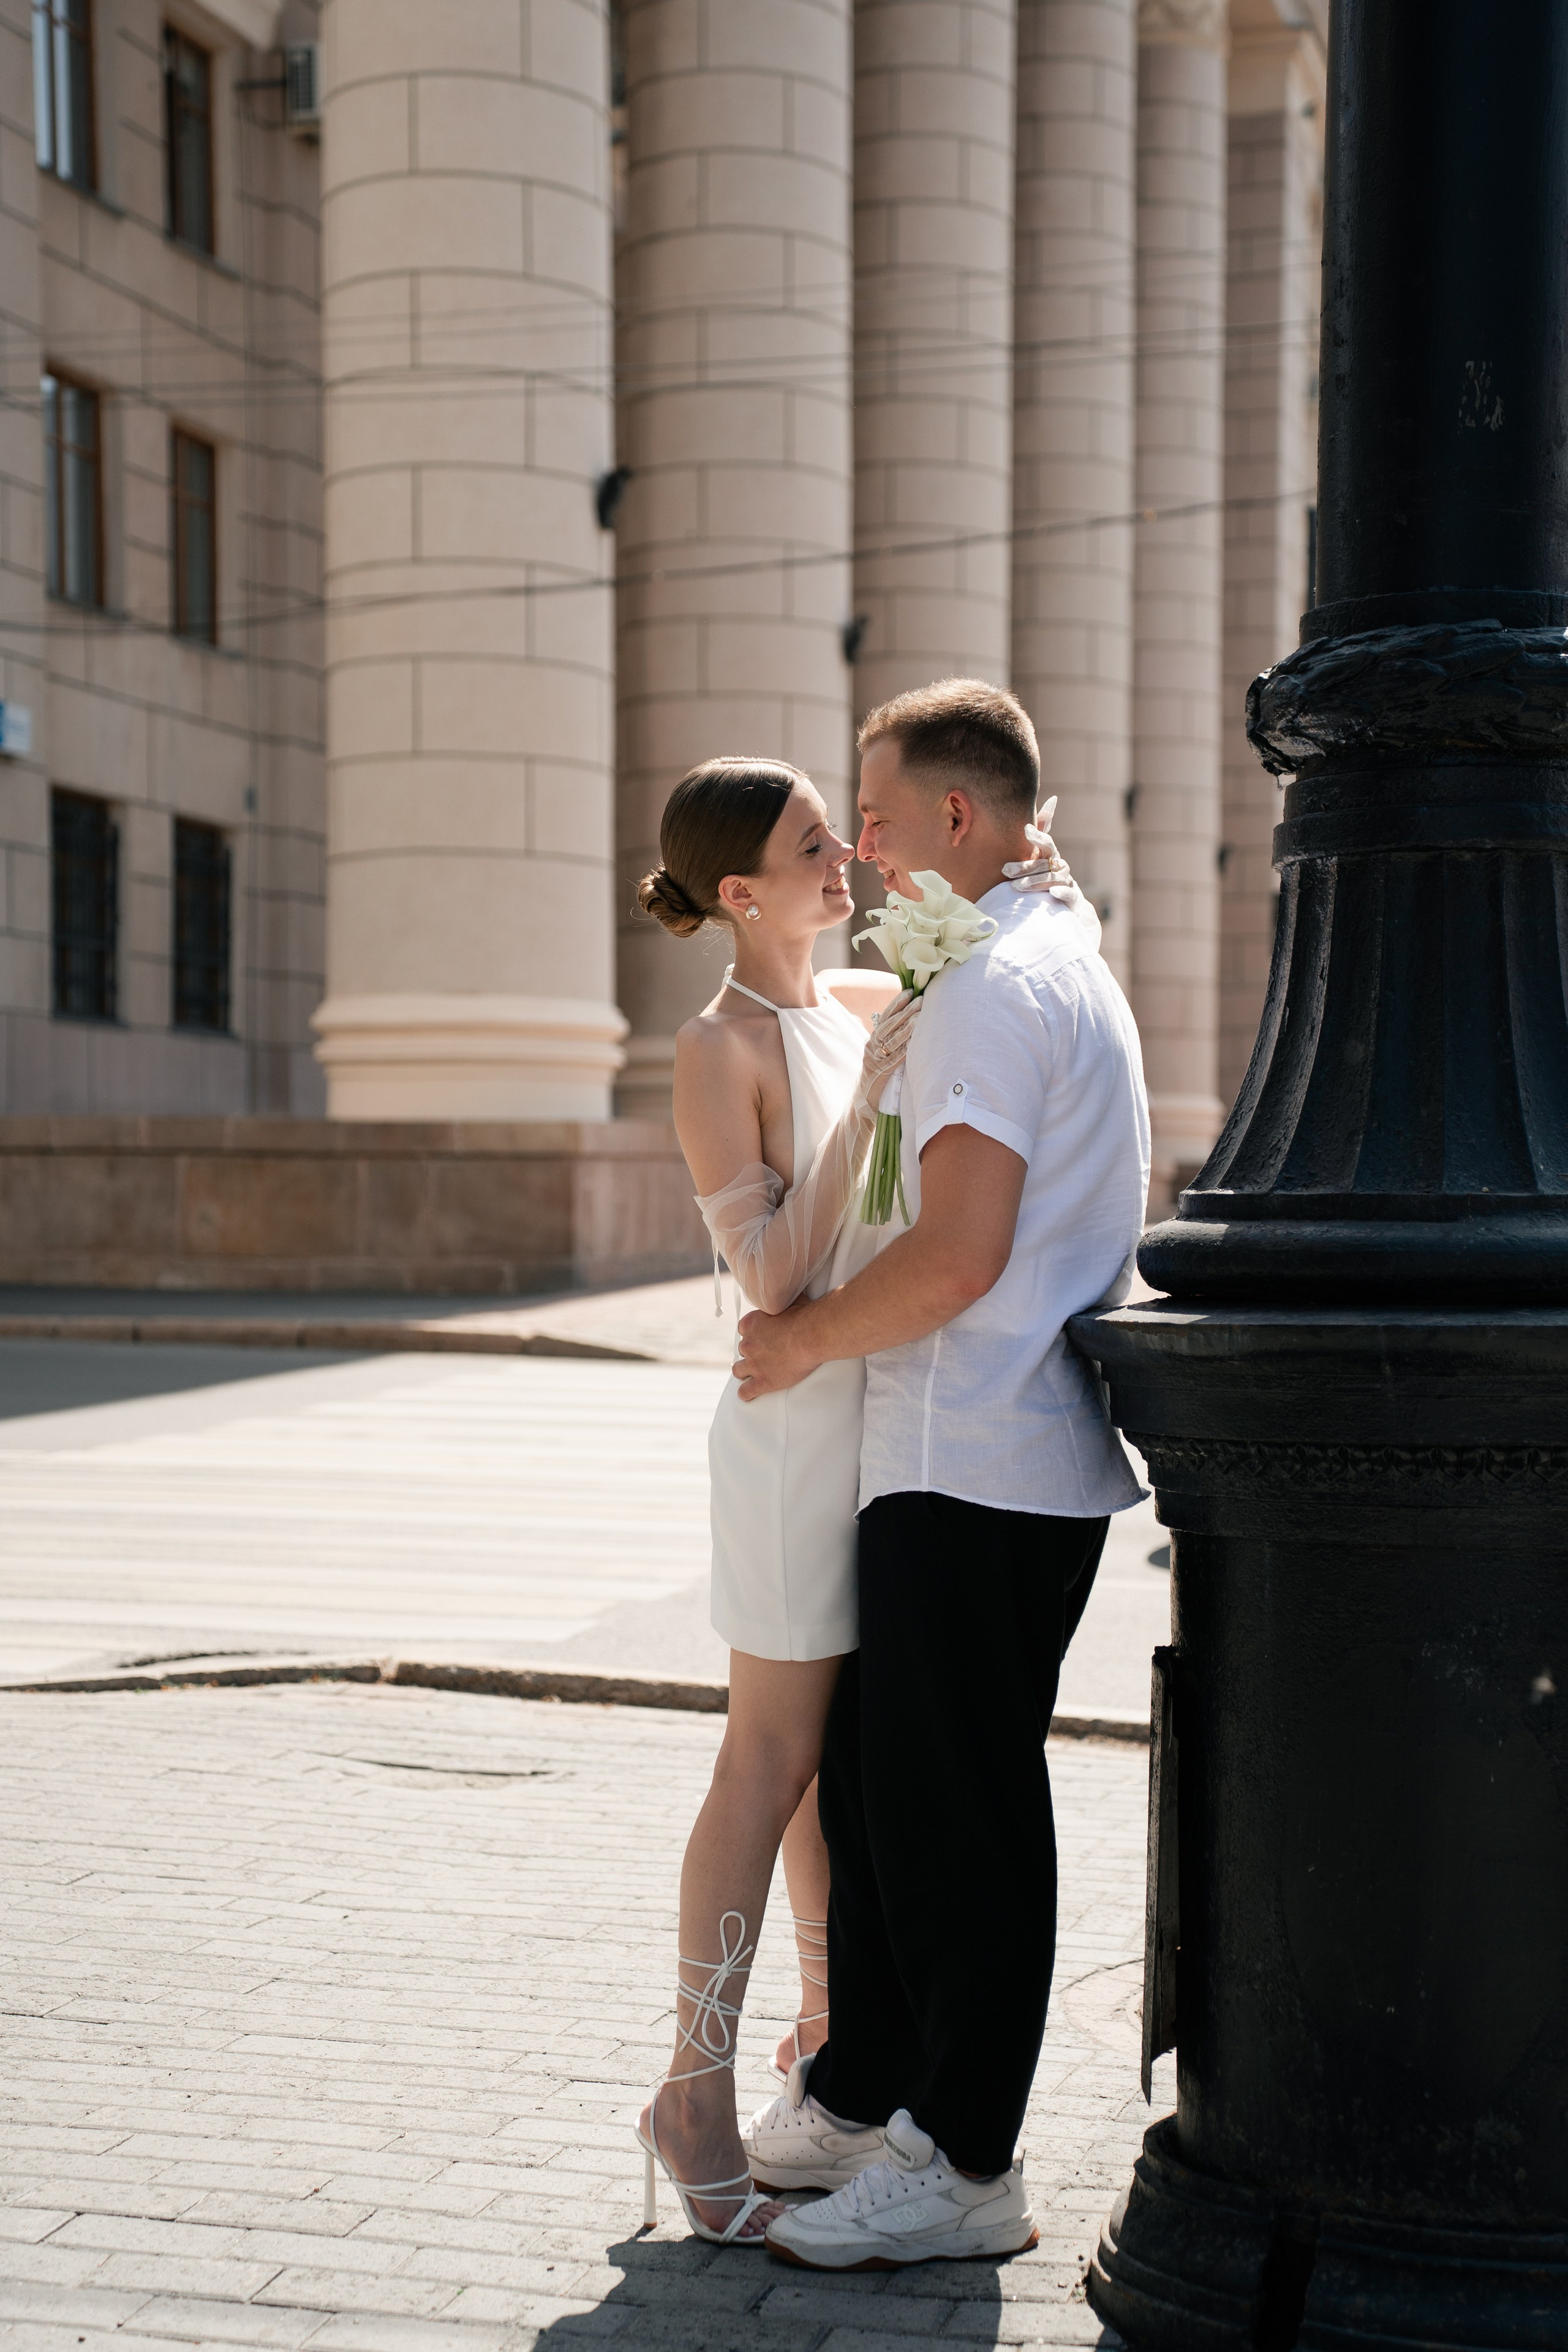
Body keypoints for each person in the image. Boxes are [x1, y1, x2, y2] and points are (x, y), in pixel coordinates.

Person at [632, 750, 1092, 2250]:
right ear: (741, 892)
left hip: (881, 1427)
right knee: (764, 1763)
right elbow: (764, 1281)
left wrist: (1035, 889)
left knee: (851, 1771)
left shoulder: (854, 1001)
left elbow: (965, 1006)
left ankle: (834, 2062)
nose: (850, 861)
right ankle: (691, 2090)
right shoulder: (720, 1044)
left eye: (842, 833)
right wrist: (867, 1102)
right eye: (817, 845)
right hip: (788, 1432)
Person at [736, 679, 1150, 2271]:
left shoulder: (995, 985)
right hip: (962, 1455)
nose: (859, 841)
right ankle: (864, 2093)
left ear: (961, 821)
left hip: (974, 1453)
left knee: (957, 1822)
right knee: (886, 1794)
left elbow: (961, 1252)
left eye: (883, 815)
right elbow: (877, 994)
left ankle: (966, 2161)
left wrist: (801, 1342)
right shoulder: (1010, 951)